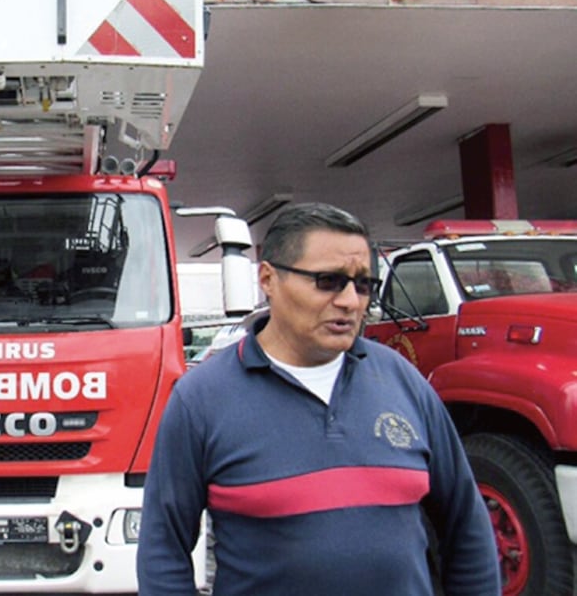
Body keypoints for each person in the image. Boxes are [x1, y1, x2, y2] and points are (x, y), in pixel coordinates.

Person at [136, 202, 499, 595]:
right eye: (329, 281)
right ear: (268, 279)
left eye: (363, 285)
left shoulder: (403, 381)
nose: (350, 301)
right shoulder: (201, 399)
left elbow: (467, 527)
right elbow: (163, 551)